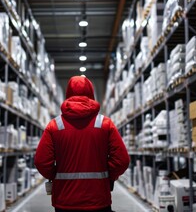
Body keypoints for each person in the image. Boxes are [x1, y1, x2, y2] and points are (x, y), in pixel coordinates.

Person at [35, 76, 130, 212]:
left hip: (64, 201)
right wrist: (108, 176)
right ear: (91, 94)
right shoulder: (105, 124)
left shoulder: (55, 126)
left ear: (68, 94)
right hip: (98, 201)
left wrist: (55, 175)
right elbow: (122, 160)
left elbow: (41, 162)